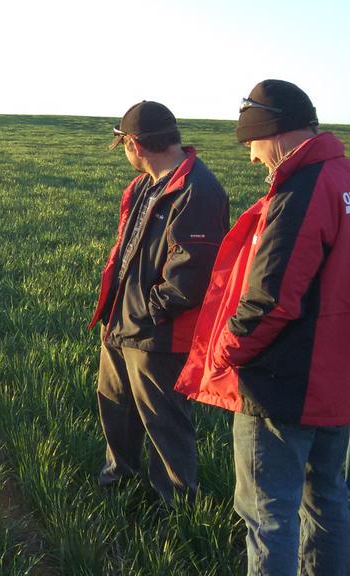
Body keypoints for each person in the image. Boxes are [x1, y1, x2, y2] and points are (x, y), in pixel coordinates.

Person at [176, 79, 350, 575]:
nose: (252, 157)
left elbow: (272, 299)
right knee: (328, 499)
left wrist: (224, 353)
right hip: (337, 383)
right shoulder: (343, 178)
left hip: (282, 386)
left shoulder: (302, 189)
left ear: (274, 132)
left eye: (251, 142)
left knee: (268, 516)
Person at [90, 101, 230, 503]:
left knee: (164, 421)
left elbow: (191, 273)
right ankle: (119, 484)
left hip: (159, 332)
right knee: (117, 407)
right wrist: (118, 313)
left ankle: (178, 507)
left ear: (134, 144)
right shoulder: (145, 186)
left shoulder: (197, 190)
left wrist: (149, 311)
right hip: (121, 322)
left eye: (124, 146)